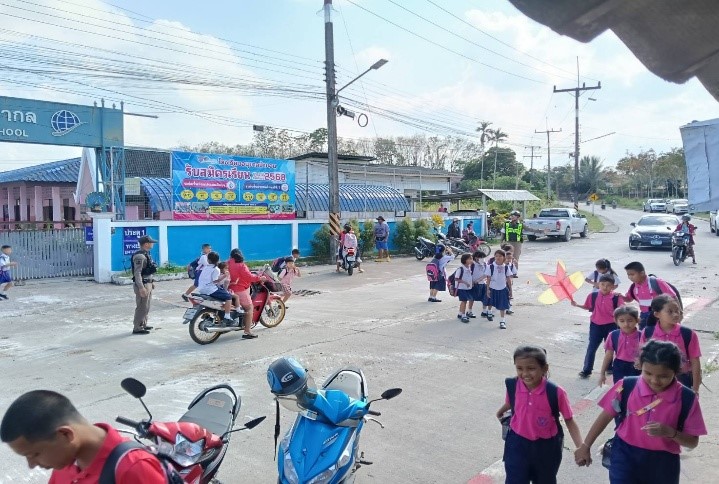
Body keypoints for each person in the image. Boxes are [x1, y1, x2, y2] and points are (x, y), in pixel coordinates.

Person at [574, 340, 707, 483]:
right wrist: (586, 446)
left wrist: (670, 432)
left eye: (663, 376)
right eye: (648, 373)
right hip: (625, 456)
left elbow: (692, 442)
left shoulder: (686, 398)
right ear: (640, 366)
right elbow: (605, 416)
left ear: (676, 372)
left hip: (663, 464)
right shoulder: (626, 386)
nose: (654, 380)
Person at [0, 390, 166, 482]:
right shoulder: (65, 463)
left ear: (65, 434)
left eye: (34, 454)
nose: (31, 465)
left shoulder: (134, 468)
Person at [496, 346, 584, 484]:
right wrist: (500, 411)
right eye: (519, 368)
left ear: (544, 368)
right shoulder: (513, 385)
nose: (525, 373)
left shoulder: (555, 392)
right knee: (514, 480)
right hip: (517, 444)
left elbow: (569, 420)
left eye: (531, 368)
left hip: (546, 448)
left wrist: (580, 447)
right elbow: (511, 402)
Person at [640, 294, 702, 392]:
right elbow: (642, 360)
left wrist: (695, 388)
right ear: (657, 314)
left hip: (682, 379)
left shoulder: (688, 333)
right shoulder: (648, 332)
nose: (676, 314)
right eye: (670, 311)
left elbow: (695, 362)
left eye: (677, 311)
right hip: (655, 380)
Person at [571, 275, 625, 378]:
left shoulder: (616, 297)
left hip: (611, 325)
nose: (605, 287)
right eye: (602, 284)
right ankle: (587, 370)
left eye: (608, 285)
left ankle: (609, 367)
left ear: (613, 287)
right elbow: (587, 307)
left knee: (610, 348)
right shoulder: (593, 296)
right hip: (595, 325)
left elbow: (623, 310)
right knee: (592, 348)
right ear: (598, 284)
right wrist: (576, 304)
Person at [623, 261, 677, 329]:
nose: (630, 277)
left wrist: (679, 313)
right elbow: (628, 299)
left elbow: (673, 297)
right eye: (628, 275)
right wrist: (618, 296)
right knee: (645, 334)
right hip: (644, 316)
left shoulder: (657, 282)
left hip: (660, 315)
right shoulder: (633, 287)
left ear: (642, 273)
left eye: (632, 274)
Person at [598, 305, 641, 386]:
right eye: (622, 321)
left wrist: (642, 362)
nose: (626, 324)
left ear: (637, 320)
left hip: (637, 367)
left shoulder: (642, 336)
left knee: (634, 388)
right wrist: (602, 373)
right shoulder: (613, 335)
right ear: (616, 321)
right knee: (619, 388)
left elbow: (648, 354)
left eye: (630, 321)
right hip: (619, 366)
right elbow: (608, 355)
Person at [227, 248, 261, 339]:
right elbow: (249, 277)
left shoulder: (227, 263)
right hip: (240, 289)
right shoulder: (241, 265)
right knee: (249, 308)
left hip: (229, 289)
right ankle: (248, 331)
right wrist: (259, 278)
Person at [196, 251, 235, 328]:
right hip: (210, 289)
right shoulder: (216, 269)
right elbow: (215, 281)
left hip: (201, 289)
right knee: (229, 297)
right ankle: (227, 316)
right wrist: (224, 276)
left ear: (208, 260)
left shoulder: (206, 267)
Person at [131, 235, 158, 335]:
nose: (152, 244)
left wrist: (152, 282)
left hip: (148, 282)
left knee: (146, 306)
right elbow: (137, 273)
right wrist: (141, 287)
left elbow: (147, 271)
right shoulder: (140, 256)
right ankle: (137, 327)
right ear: (146, 244)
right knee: (142, 306)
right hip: (143, 284)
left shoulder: (146, 254)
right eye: (151, 243)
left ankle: (143, 324)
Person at [484, 249, 511, 329]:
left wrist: (510, 290)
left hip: (502, 288)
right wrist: (487, 289)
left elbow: (508, 279)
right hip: (492, 288)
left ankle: (502, 321)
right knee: (490, 302)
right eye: (496, 256)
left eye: (500, 256)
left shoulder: (506, 267)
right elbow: (488, 278)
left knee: (503, 305)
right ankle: (489, 312)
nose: (498, 258)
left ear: (504, 257)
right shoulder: (490, 267)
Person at [453, 253, 474, 323]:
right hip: (461, 288)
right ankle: (463, 315)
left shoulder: (469, 267)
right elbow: (456, 278)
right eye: (470, 259)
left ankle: (460, 313)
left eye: (472, 258)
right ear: (465, 260)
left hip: (467, 288)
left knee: (464, 301)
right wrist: (465, 283)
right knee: (464, 301)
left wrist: (471, 283)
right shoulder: (460, 268)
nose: (471, 260)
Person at [467, 250, 488, 318]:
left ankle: (484, 311)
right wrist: (471, 282)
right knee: (472, 298)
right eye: (481, 257)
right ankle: (469, 311)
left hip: (482, 283)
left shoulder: (485, 264)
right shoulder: (472, 264)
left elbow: (486, 274)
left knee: (485, 297)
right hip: (473, 284)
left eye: (483, 257)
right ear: (476, 258)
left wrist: (479, 280)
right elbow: (468, 274)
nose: (483, 259)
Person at [504, 250, 518, 315]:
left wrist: (510, 279)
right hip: (501, 283)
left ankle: (508, 308)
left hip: (508, 282)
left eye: (510, 258)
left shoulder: (511, 265)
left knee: (508, 295)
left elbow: (513, 273)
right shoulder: (501, 266)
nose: (508, 259)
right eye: (507, 258)